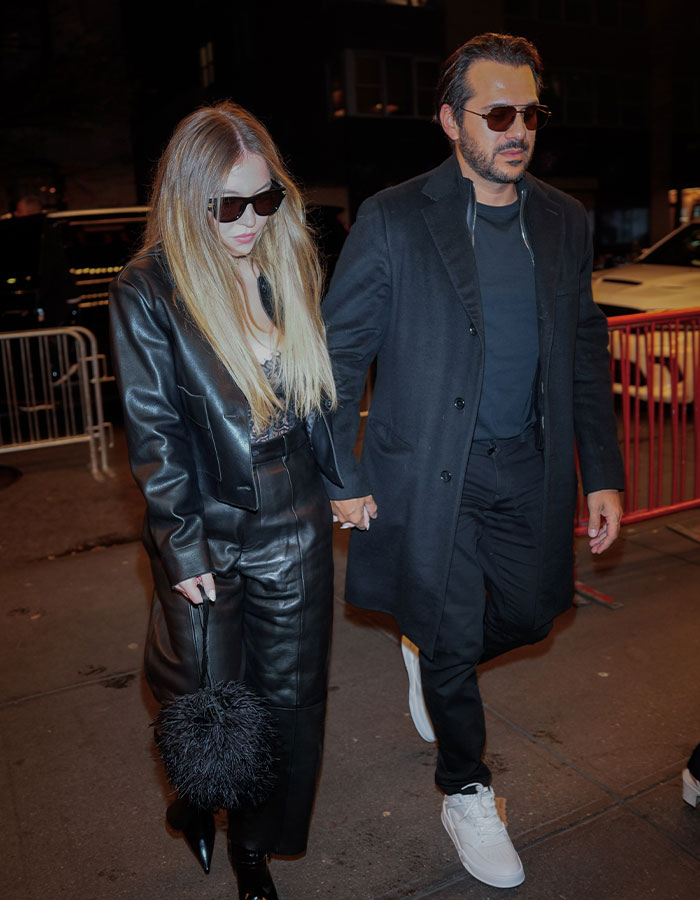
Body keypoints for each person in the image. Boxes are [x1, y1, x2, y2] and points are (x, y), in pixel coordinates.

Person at [322, 33, 625, 890]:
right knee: (455, 633)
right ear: (451, 119)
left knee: (535, 615)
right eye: (497, 113)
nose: (516, 129)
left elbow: (582, 351)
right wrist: (339, 472)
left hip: (528, 467)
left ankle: (432, 649)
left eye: (528, 112)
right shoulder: (393, 217)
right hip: (428, 474)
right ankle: (464, 786)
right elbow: (339, 356)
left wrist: (599, 470)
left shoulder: (564, 220)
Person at [109, 101, 342, 900]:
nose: (250, 221)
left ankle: (253, 851)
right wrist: (180, 544)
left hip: (297, 522)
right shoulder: (149, 290)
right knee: (208, 701)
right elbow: (154, 432)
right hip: (207, 526)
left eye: (265, 198)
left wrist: (346, 487)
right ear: (188, 198)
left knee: (288, 704)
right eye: (229, 205)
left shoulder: (288, 263)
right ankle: (192, 806)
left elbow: (318, 399)